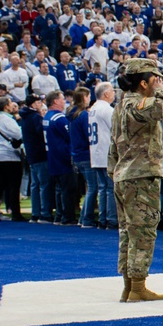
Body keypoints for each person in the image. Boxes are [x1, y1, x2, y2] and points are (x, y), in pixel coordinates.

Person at [110, 59, 163, 302]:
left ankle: (129, 285)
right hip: (140, 174)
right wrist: (161, 90)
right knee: (142, 232)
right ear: (144, 82)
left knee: (128, 232)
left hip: (124, 173)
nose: (159, 82)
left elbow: (112, 143)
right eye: (155, 78)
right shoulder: (139, 103)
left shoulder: (120, 104)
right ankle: (137, 285)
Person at [0, 96, 25, 221]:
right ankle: (15, 213)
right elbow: (18, 134)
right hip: (9, 154)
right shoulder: (7, 119)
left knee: (0, 185)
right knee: (14, 185)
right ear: (6, 106)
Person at [44, 91, 77, 225]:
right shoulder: (58, 118)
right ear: (56, 101)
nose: (65, 102)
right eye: (62, 99)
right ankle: (67, 217)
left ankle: (59, 214)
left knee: (59, 188)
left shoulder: (47, 117)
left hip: (53, 156)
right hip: (63, 157)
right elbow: (70, 135)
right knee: (68, 189)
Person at [89, 82, 117, 229]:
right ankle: (111, 219)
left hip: (96, 152)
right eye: (112, 91)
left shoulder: (93, 108)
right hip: (106, 152)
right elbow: (116, 129)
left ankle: (103, 218)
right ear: (106, 93)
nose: (114, 94)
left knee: (102, 188)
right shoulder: (106, 109)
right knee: (110, 188)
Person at [20, 93, 52, 223]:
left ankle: (35, 212)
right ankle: (44, 213)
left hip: (31, 154)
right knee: (44, 184)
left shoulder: (25, 117)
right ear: (33, 104)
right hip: (39, 153)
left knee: (35, 185)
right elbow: (42, 133)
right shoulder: (35, 117)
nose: (41, 104)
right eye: (39, 102)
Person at [68, 87, 97, 228]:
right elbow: (89, 134)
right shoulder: (84, 115)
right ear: (84, 97)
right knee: (92, 187)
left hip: (76, 154)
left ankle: (83, 218)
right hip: (86, 153)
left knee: (89, 187)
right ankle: (86, 218)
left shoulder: (71, 114)